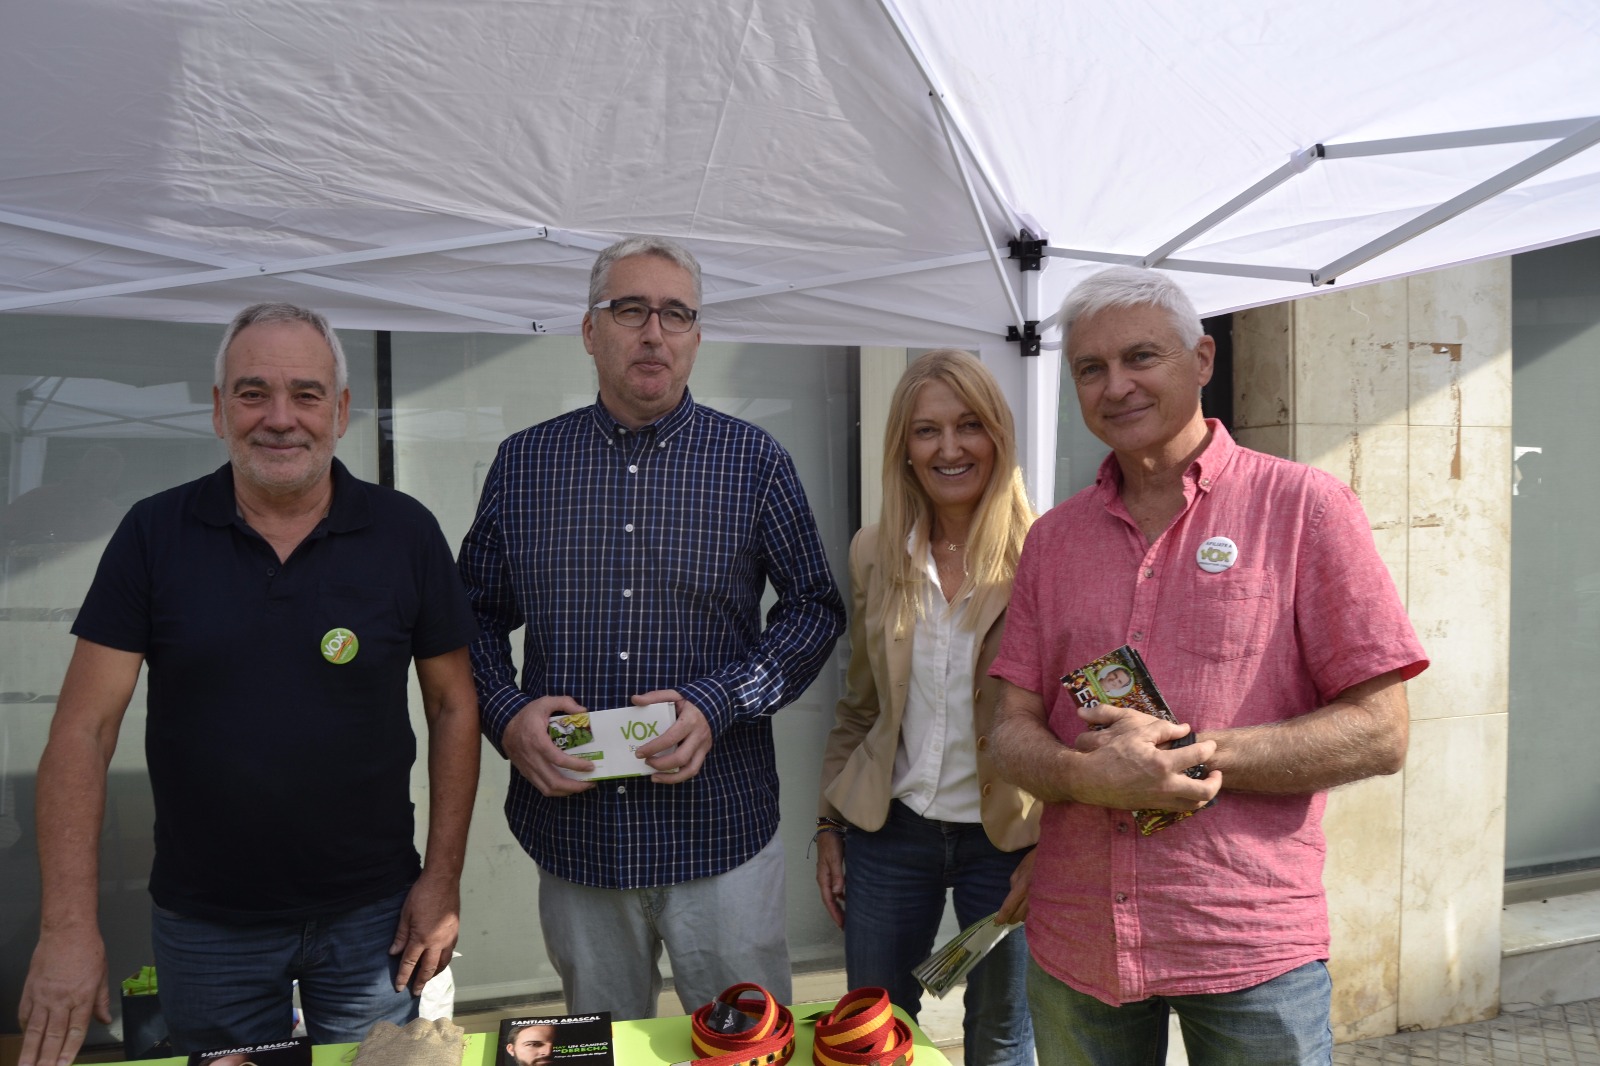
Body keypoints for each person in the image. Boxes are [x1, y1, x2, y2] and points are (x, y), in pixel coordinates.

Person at [16, 303, 481, 1064]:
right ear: (218, 409)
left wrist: (443, 877)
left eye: (305, 394)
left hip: (375, 920)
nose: (280, 418)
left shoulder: (405, 532)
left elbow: (454, 704)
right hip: (207, 926)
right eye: (253, 392)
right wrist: (67, 926)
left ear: (340, 411)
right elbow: (82, 731)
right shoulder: (153, 533)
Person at [987, 267, 1429, 1066]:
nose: (1115, 385)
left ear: (1202, 359)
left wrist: (1189, 758)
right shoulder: (1053, 540)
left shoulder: (1305, 507)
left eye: (1140, 357)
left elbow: (1380, 731)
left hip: (1244, 936)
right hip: (1080, 936)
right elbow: (1008, 729)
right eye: (1090, 368)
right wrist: (1086, 777)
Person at [459, 235, 845, 1019]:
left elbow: (814, 607)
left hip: (720, 831)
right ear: (589, 329)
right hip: (579, 834)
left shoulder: (753, 462)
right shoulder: (525, 465)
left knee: (746, 1049)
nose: (654, 333)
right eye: (630, 310)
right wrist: (506, 716)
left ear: (697, 336)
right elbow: (470, 615)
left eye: (676, 314)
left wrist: (720, 700)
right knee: (604, 1050)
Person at [814, 350, 1038, 1064]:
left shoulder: (1045, 552)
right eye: (926, 430)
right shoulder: (874, 552)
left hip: (1009, 842)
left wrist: (1057, 846)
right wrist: (830, 823)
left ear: (997, 435)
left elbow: (1070, 720)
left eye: (969, 425)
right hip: (891, 833)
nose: (949, 448)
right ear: (904, 448)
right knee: (873, 1031)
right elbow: (859, 705)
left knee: (1001, 1035)